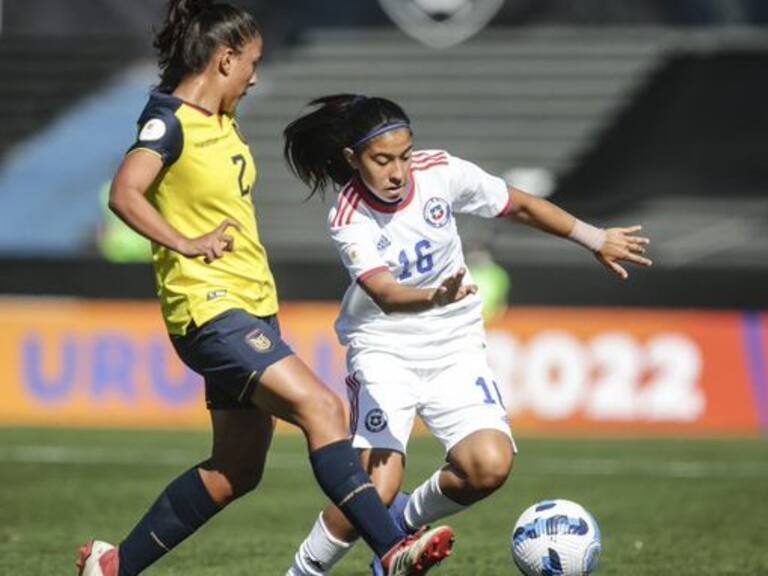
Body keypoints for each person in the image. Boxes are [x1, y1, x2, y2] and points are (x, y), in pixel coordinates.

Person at [75, 3, 455, 576]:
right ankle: (391, 546)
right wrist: (186, 241)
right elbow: (125, 193)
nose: (255, 76)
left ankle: (113, 568)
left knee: (236, 469)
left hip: (250, 310)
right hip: (211, 311)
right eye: (251, 63)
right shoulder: (168, 122)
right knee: (321, 407)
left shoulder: (219, 121)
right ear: (224, 59)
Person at [281, 94, 652, 575]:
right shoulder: (349, 214)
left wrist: (594, 238)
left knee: (488, 466)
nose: (398, 172)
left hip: (454, 347)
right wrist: (433, 296)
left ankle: (400, 529)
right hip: (385, 350)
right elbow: (387, 294)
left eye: (404, 155)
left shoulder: (442, 172)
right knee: (376, 489)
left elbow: (517, 204)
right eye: (382, 160)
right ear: (352, 160)